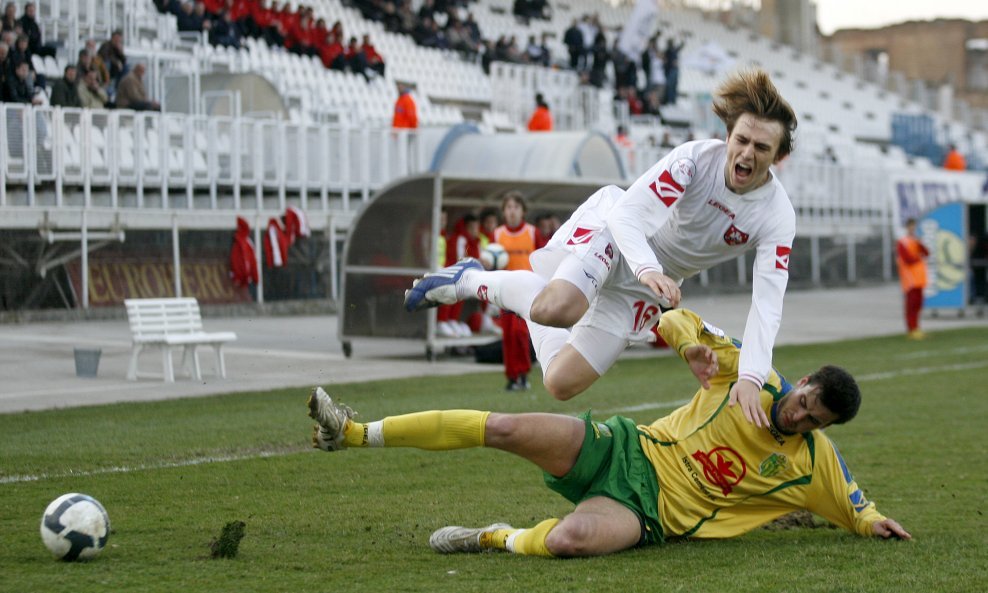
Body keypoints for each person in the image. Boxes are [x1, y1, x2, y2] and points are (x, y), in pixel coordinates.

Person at [307, 307, 912, 557]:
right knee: (509, 426)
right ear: (802, 382)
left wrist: (870, 522)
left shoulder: (812, 460)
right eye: (805, 403)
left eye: (814, 420)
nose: (800, 417)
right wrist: (690, 346)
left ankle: (491, 537)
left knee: (571, 542)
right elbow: (676, 316)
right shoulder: (749, 374)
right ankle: (352, 433)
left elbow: (853, 504)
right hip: (630, 447)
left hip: (655, 515)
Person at [405, 68, 797, 428]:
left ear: (778, 157)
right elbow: (627, 215)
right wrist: (646, 267)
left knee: (559, 382)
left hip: (647, 288)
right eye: (741, 140)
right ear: (727, 135)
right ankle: (469, 279)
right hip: (619, 235)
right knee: (556, 309)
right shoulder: (693, 160)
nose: (746, 153)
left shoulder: (777, 216)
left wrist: (750, 377)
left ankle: (522, 290)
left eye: (761, 147)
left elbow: (767, 302)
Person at [495, 192, 542, 390]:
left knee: (521, 333)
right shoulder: (497, 234)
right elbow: (490, 260)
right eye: (508, 207)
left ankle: (523, 374)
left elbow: (543, 257)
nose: (512, 211)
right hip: (504, 290)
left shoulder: (532, 232)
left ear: (523, 211)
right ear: (504, 212)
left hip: (527, 291)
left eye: (516, 207)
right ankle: (512, 377)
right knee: (508, 335)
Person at [896, 218, 929, 340]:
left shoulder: (915, 240)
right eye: (911, 226)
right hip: (910, 279)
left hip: (919, 278)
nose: (913, 228)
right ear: (907, 227)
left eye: (914, 226)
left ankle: (917, 327)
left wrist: (920, 244)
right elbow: (907, 259)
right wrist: (918, 257)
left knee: (918, 304)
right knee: (911, 304)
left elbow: (926, 253)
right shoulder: (903, 242)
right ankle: (911, 329)